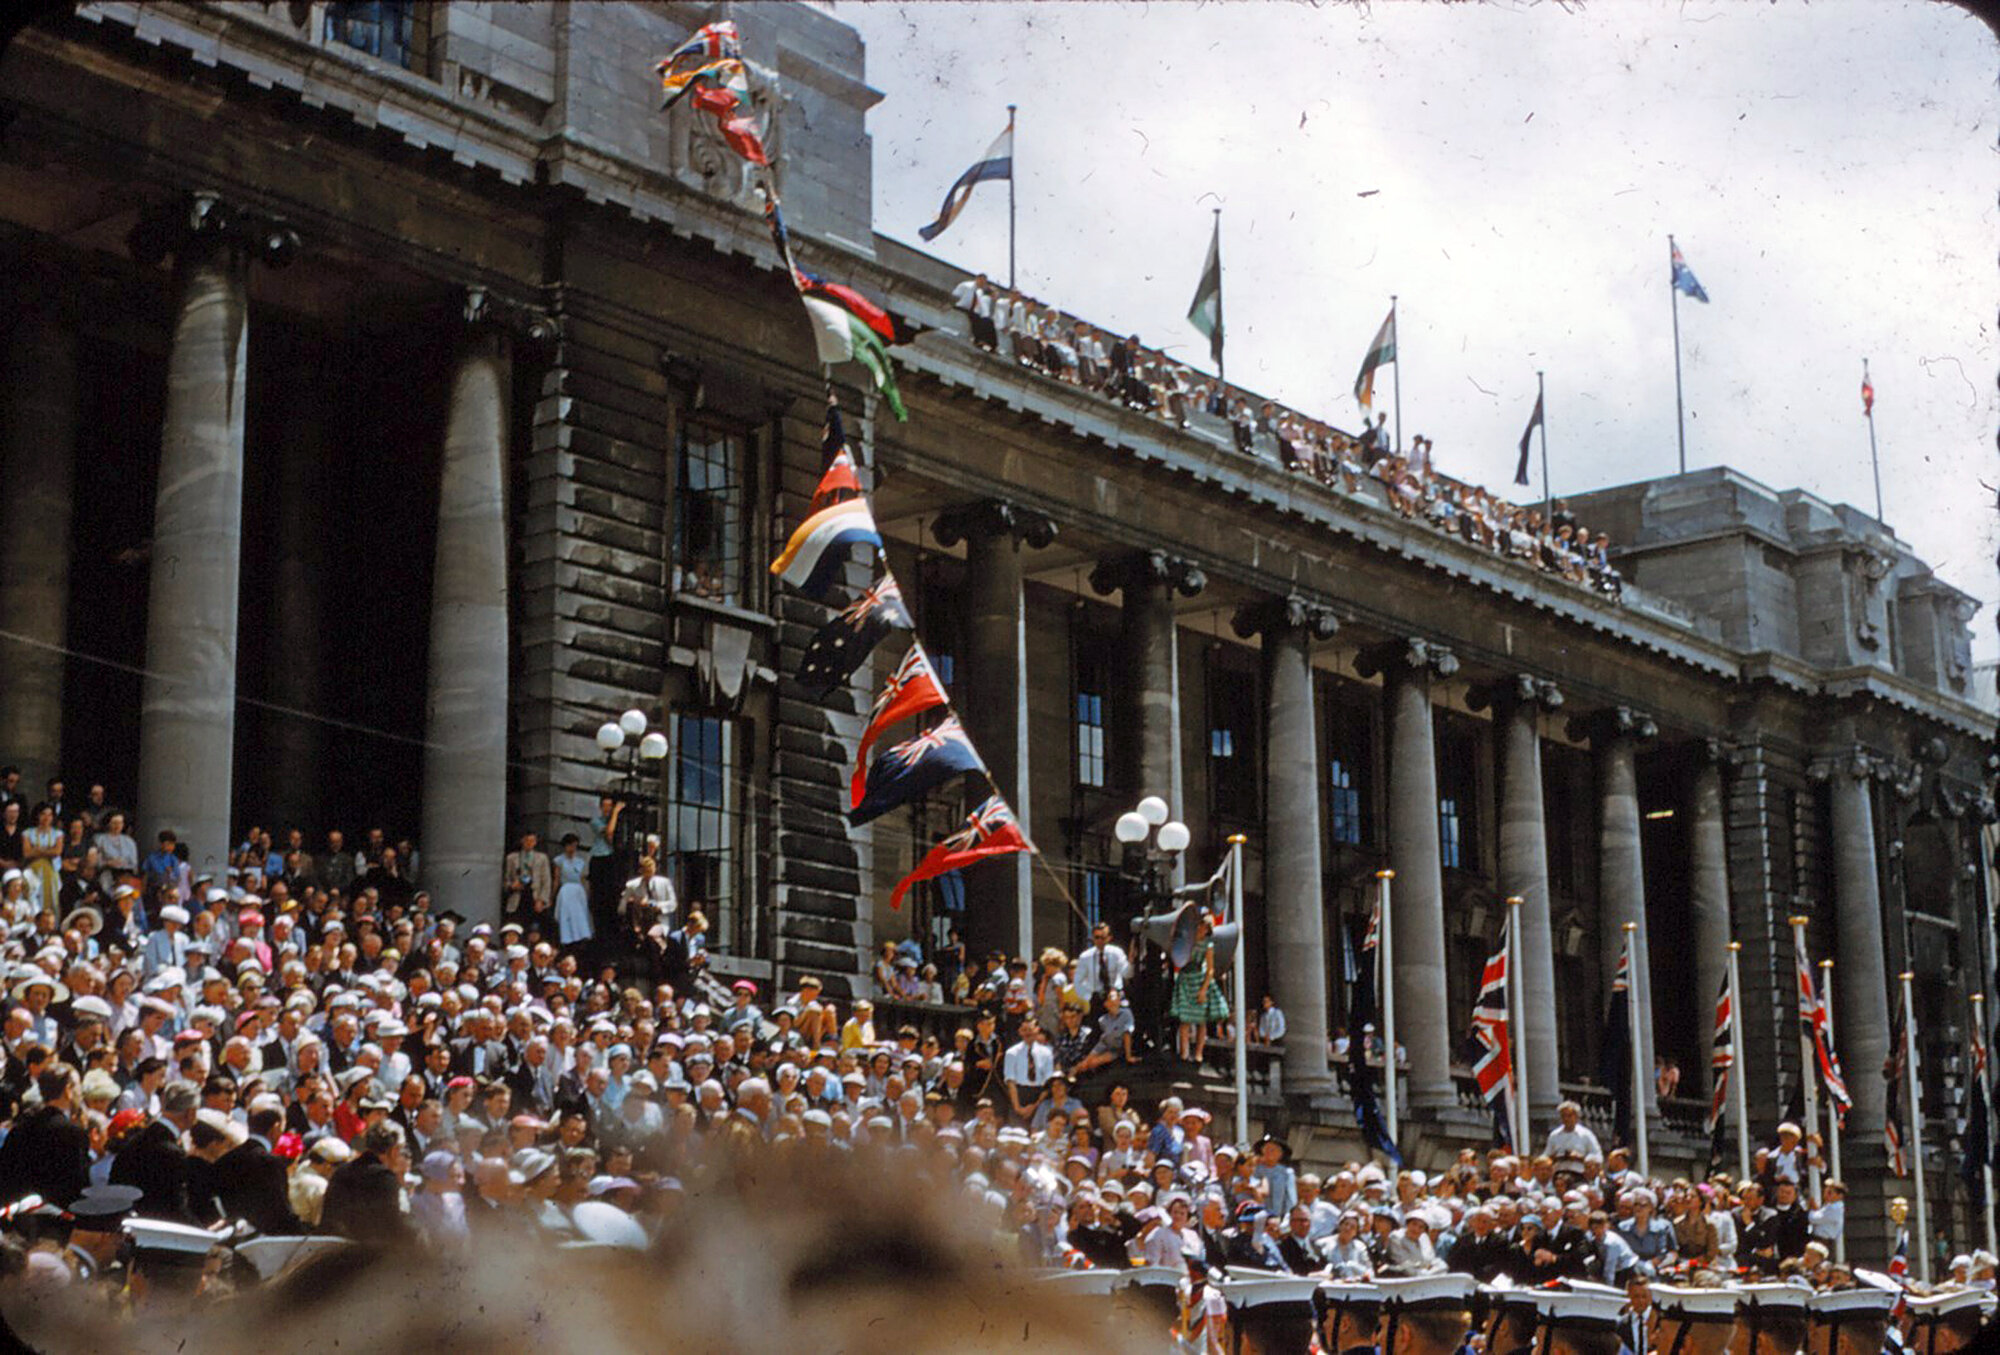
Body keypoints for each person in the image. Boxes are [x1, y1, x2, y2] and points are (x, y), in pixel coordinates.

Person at [1169, 913, 1230, 1063]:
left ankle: (1198, 1053)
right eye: (1200, 925)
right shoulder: (1187, 940)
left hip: (1199, 979)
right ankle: (1184, 1053)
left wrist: (1203, 989)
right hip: (1185, 978)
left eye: (1204, 926)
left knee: (1201, 1020)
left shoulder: (1208, 945)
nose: (1201, 928)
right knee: (1185, 1019)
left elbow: (1210, 969)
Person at [552, 834, 592, 947]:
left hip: (578, 891)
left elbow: (583, 879)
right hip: (566, 890)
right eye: (570, 845)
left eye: (574, 846)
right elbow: (556, 879)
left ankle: (580, 940)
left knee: (580, 917)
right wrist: (552, 895)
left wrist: (587, 893)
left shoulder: (580, 861)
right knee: (566, 916)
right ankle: (566, 940)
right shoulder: (559, 860)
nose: (572, 848)